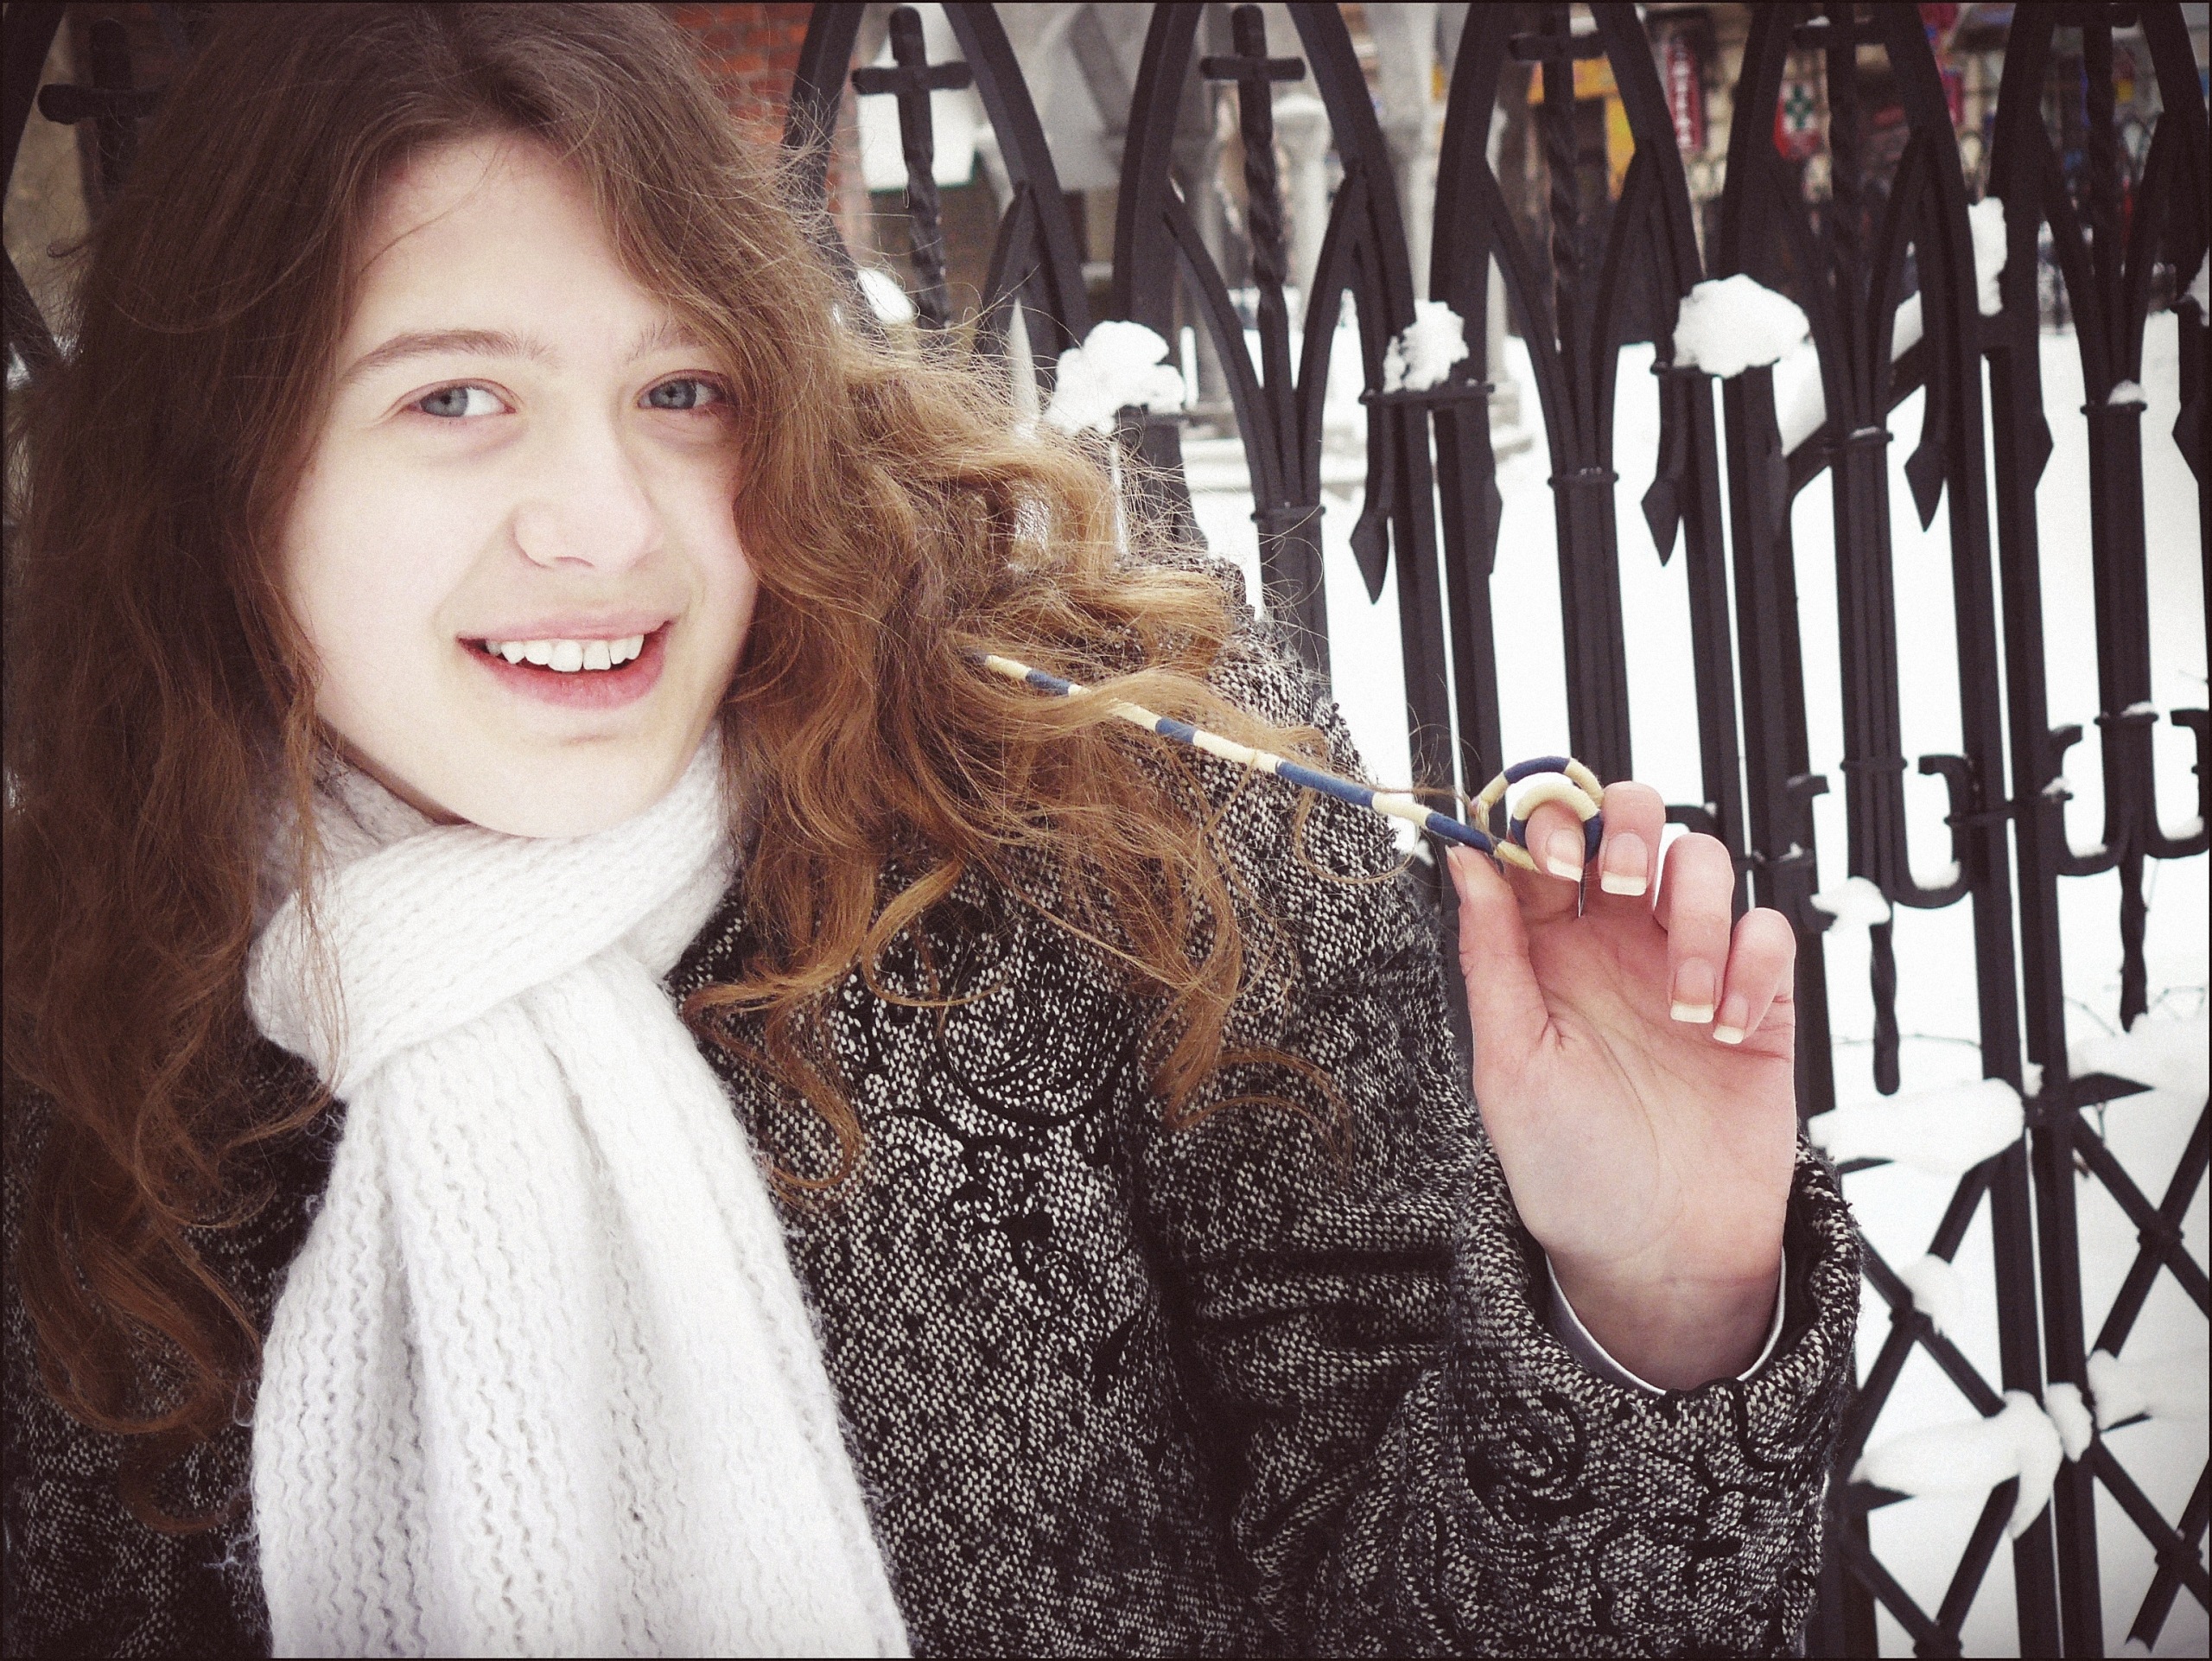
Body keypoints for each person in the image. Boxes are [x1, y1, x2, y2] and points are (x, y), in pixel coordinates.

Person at [1, 5, 1859, 1656]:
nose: (607, 521)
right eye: (455, 396)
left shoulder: (1108, 835)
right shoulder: (72, 1023)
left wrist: (1657, 1296)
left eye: (680, 391)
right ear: (228, 469)